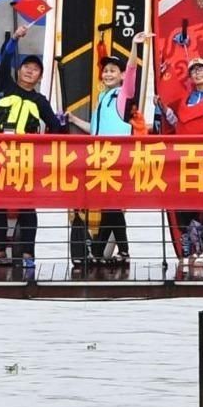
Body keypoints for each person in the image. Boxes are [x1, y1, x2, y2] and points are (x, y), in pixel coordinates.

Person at [0, 43, 62, 278]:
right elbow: (5, 59)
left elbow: (55, 128)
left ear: (40, 76)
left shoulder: (40, 101)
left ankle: (28, 253)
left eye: (35, 69)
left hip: (26, 159)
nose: (29, 71)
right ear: (19, 71)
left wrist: (44, 153)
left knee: (27, 206)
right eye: (26, 67)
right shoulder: (6, 87)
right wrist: (14, 40)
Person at [70, 42, 141, 276]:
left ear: (120, 76)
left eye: (113, 70)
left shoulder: (123, 95)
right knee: (109, 206)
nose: (108, 73)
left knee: (111, 206)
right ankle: (100, 251)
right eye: (105, 70)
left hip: (118, 158)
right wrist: (74, 120)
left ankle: (123, 250)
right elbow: (96, 129)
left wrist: (134, 46)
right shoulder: (103, 97)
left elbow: (132, 71)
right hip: (100, 158)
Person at [158, 54, 203, 272]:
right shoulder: (184, 100)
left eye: (201, 69)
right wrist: (161, 105)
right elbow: (174, 123)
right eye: (193, 71)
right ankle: (189, 250)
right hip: (184, 161)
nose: (197, 73)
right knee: (183, 206)